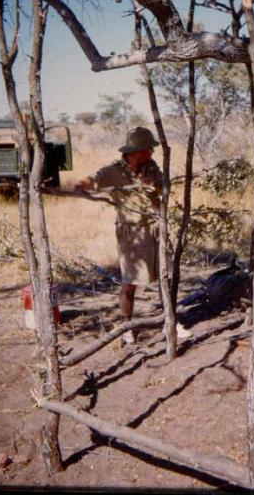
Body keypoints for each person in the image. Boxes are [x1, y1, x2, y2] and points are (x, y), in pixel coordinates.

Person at [74, 126, 192, 344]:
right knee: (130, 284)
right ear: (135, 152)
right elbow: (94, 180)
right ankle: (126, 326)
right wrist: (82, 185)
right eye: (149, 149)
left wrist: (154, 186)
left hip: (157, 230)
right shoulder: (114, 171)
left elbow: (164, 187)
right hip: (132, 235)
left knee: (165, 278)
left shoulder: (151, 167)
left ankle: (170, 323)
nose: (152, 153)